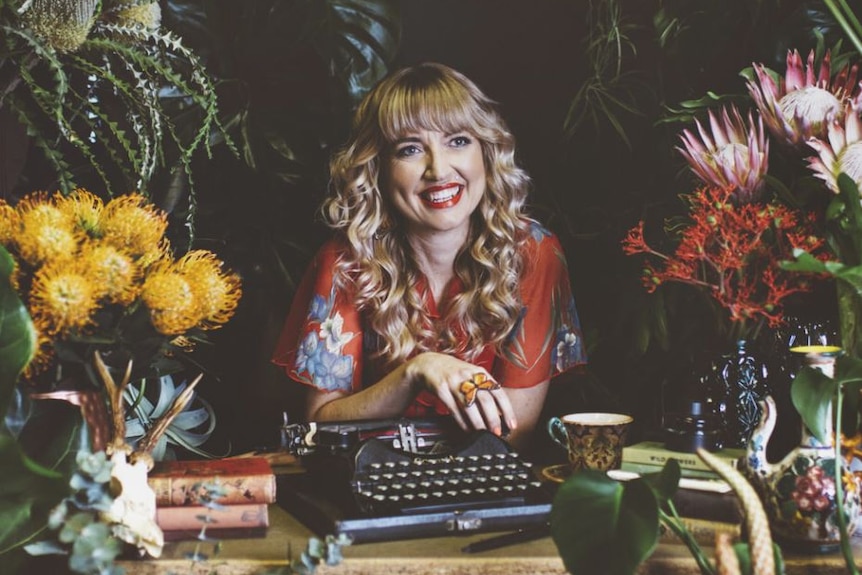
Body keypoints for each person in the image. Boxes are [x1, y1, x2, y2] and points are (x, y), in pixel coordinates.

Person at [272, 62, 586, 451]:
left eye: (457, 141)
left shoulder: (534, 253)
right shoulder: (346, 260)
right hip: (369, 479)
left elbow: (513, 431)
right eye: (410, 149)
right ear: (378, 171)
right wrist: (416, 371)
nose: (438, 170)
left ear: (486, 153)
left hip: (486, 478)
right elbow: (320, 423)